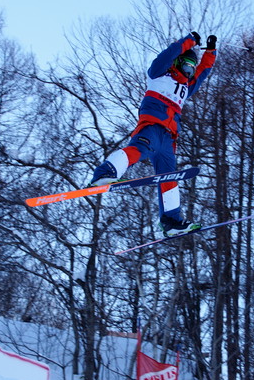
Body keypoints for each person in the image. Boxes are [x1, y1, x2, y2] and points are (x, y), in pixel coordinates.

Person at [89, 31, 217, 237]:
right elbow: (167, 54)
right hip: (152, 126)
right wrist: (189, 41)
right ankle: (104, 174)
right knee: (137, 150)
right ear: (177, 63)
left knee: (169, 177)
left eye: (191, 70)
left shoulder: (185, 86)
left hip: (169, 138)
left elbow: (202, 73)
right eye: (186, 66)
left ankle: (171, 220)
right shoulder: (160, 72)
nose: (189, 72)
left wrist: (211, 52)